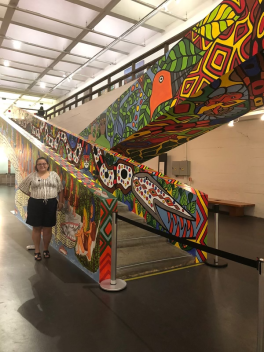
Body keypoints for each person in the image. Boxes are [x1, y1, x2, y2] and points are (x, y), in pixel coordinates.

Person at [19, 157, 64, 261]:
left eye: (44, 164)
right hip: (35, 204)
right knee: (36, 228)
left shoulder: (54, 175)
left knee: (48, 228)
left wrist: (60, 202)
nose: (42, 165)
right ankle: (37, 251)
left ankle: (45, 249)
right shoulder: (32, 176)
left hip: (51, 203)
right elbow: (23, 187)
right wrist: (31, 194)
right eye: (39, 164)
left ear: (47, 165)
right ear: (36, 166)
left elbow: (60, 189)